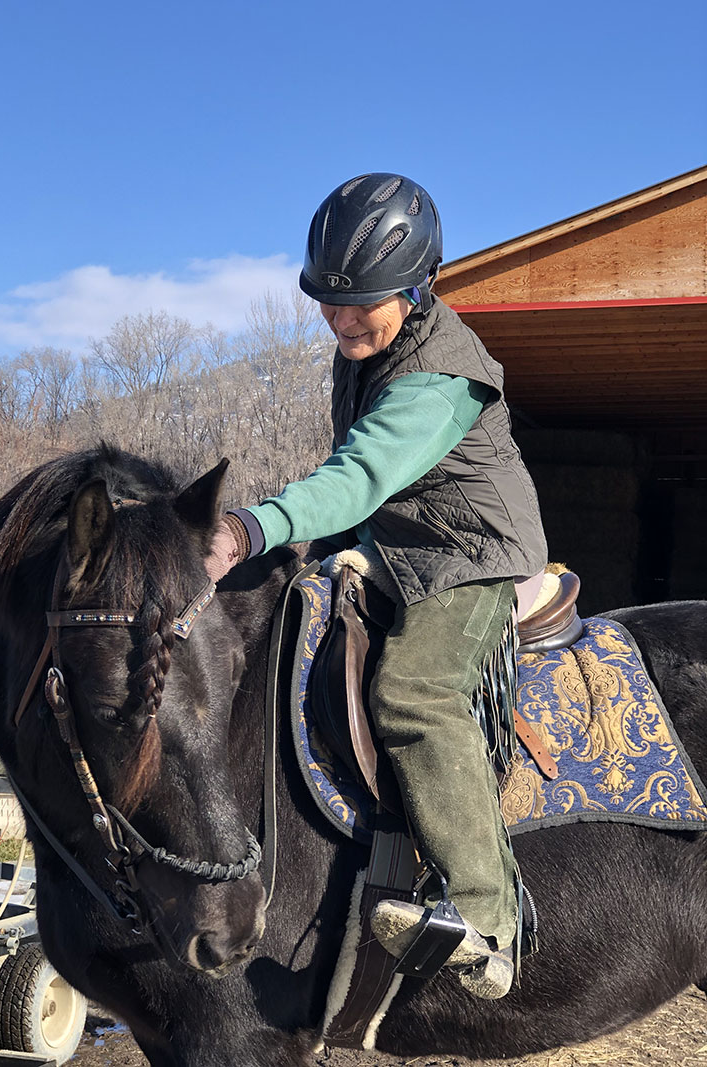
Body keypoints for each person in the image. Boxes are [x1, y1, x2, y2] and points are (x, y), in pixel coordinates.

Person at [206, 173, 547, 999]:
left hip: (472, 553)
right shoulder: (362, 351)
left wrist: (250, 528)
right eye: (329, 302)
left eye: (362, 303)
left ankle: (486, 919)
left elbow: (359, 475)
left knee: (412, 692)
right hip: (400, 544)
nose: (342, 319)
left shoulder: (440, 375)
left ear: (419, 284)